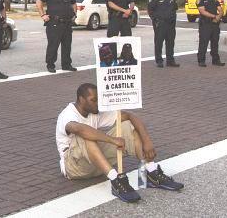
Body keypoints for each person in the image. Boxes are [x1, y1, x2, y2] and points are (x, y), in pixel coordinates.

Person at [56, 83, 184, 203]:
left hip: (96, 165)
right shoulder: (68, 114)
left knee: (126, 125)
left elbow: (129, 116)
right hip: (74, 168)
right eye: (93, 100)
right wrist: (111, 140)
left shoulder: (93, 111)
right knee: (85, 135)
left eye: (99, 100)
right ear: (81, 99)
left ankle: (149, 172)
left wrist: (147, 141)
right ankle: (116, 181)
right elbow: (79, 129)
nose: (98, 104)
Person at [36, 0, 77, 73]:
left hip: (67, 23)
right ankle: (50, 65)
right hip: (54, 23)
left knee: (67, 45)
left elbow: (74, 3)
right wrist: (42, 15)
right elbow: (39, 2)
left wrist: (74, 14)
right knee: (53, 45)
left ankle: (66, 65)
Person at [147, 0, 179, 68]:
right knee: (159, 42)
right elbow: (150, 10)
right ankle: (159, 60)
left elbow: (175, 8)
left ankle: (170, 60)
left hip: (171, 24)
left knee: (170, 42)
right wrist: (156, 20)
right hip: (160, 23)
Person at [196, 0, 225, 67]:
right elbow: (202, 11)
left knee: (215, 43)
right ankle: (201, 60)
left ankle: (216, 60)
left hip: (215, 24)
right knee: (203, 43)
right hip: (205, 24)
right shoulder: (200, 0)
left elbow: (220, 9)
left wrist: (218, 18)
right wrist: (214, 16)